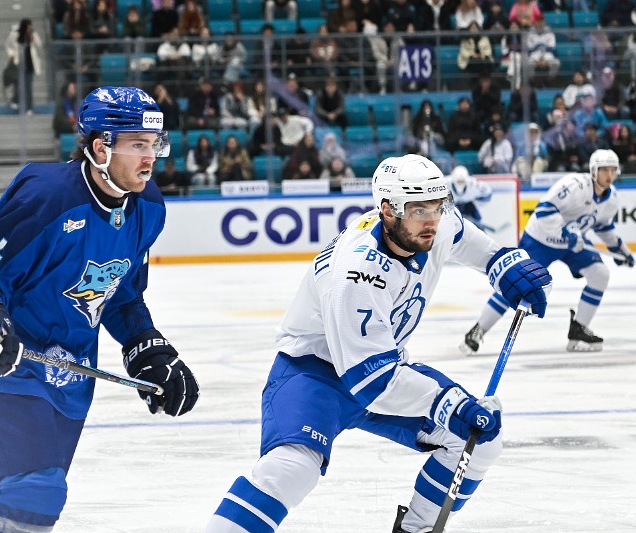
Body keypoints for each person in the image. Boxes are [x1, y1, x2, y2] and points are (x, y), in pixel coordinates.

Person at [205, 153, 552, 533]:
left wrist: (504, 264)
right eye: (420, 210)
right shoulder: (357, 271)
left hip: (384, 367)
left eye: (438, 206)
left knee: (479, 441)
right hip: (315, 374)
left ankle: (416, 530)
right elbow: (371, 380)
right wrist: (449, 404)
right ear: (388, 210)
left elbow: (467, 238)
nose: (432, 221)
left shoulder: (431, 224)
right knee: (292, 468)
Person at [0, 86, 200, 533]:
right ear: (101, 147)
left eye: (154, 144)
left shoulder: (149, 208)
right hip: (5, 364)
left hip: (69, 376)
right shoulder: (47, 197)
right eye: (137, 145)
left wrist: (148, 347)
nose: (150, 158)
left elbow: (122, 295)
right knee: (36, 493)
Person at [461, 149, 634, 355]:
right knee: (515, 282)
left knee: (600, 274)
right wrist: (565, 229)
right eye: (604, 170)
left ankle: (579, 328)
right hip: (540, 240)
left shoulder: (611, 198)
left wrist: (620, 249)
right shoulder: (575, 185)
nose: (609, 175)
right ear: (593, 170)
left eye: (613, 170)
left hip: (571, 245)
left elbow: (604, 227)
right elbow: (544, 210)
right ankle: (478, 329)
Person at [5, 18, 44, 113]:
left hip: (30, 64)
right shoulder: (15, 34)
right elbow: (8, 45)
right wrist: (11, 54)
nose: (29, 29)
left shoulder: (33, 35)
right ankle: (15, 100)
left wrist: (34, 36)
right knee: (18, 85)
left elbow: (40, 44)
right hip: (18, 63)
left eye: (30, 27)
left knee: (28, 87)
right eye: (28, 27)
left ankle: (29, 107)